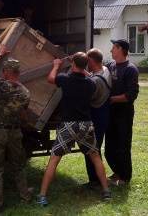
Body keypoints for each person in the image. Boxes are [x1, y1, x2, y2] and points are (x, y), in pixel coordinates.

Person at [37, 52, 111, 207]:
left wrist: (56, 65)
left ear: (73, 64)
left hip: (68, 125)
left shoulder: (65, 79)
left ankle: (43, 195)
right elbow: (86, 74)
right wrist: (82, 67)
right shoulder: (91, 83)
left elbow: (50, 78)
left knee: (54, 160)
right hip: (86, 124)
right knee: (96, 157)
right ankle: (106, 192)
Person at [0, 43, 32, 213]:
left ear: (5, 73)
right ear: (19, 72)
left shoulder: (0, 85)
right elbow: (22, 116)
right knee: (18, 166)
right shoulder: (25, 92)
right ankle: (24, 196)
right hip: (15, 132)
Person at [105, 38, 139, 186]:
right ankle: (116, 172)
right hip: (110, 112)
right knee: (110, 146)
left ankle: (125, 177)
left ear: (120, 49)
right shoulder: (110, 65)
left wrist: (112, 99)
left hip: (123, 113)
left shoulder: (130, 69)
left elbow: (131, 94)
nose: (111, 50)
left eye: (113, 47)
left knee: (123, 145)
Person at [84, 48, 112, 188]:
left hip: (96, 114)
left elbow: (90, 99)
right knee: (96, 147)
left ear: (91, 61)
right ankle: (97, 179)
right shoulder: (105, 70)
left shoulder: (95, 81)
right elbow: (92, 75)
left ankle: (95, 181)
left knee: (91, 148)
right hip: (104, 113)